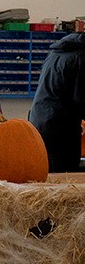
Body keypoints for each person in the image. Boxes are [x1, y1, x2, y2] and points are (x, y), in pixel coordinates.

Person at [29, 30, 85, 173]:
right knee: (64, 177)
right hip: (60, 129)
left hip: (40, 121)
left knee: (46, 174)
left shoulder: (58, 52)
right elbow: (80, 98)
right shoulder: (81, 57)